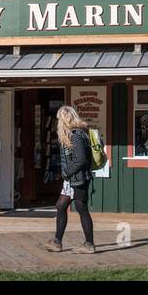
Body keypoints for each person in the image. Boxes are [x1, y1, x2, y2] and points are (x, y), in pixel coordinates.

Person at [47, 105, 95, 254]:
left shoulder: (76, 134)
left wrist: (66, 172)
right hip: (72, 179)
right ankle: (57, 242)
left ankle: (89, 244)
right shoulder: (72, 134)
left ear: (64, 119)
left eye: (59, 119)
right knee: (61, 206)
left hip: (79, 179)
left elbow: (81, 160)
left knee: (82, 209)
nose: (58, 123)